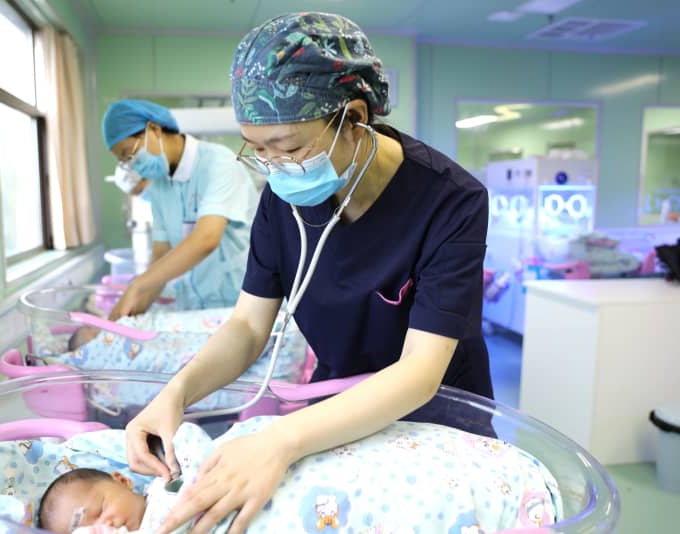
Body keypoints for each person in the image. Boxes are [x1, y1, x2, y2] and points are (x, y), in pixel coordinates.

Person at [123, 12, 492, 534]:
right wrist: (176, 394)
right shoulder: (283, 200)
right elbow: (247, 327)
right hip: (331, 412)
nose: (276, 166)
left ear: (355, 117)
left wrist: (279, 440)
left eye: (291, 147)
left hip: (435, 417)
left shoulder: (451, 201)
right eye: (259, 149)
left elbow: (419, 372)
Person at [37, 419, 560, 533]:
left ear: (121, 482)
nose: (101, 528)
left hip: (283, 473)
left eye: (94, 513)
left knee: (376, 473)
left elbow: (198, 444)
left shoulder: (166, 483)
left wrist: (173, 436)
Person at [101, 100, 259, 318]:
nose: (132, 164)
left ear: (154, 129)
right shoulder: (160, 185)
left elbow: (206, 239)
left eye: (130, 153)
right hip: (194, 308)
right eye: (124, 161)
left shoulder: (219, 163)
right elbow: (161, 253)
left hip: (240, 304)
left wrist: (138, 284)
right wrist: (126, 317)